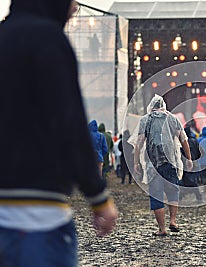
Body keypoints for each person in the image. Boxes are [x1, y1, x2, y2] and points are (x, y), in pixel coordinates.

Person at [0, 1, 118, 266]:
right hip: (38, 216)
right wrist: (98, 197)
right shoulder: (48, 39)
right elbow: (69, 122)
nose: (74, 7)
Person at [132, 95, 192, 236]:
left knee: (156, 195)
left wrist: (136, 162)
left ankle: (162, 229)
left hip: (153, 165)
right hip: (170, 163)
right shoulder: (172, 119)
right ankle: (173, 220)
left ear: (151, 107)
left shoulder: (145, 120)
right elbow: (183, 140)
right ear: (163, 105)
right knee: (173, 191)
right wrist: (188, 158)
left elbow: (139, 143)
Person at [180, 126, 203, 202]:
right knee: (192, 181)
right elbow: (200, 151)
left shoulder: (183, 142)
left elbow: (181, 152)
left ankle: (181, 196)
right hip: (195, 163)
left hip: (185, 164)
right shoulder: (195, 141)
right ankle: (198, 196)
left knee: (185, 180)